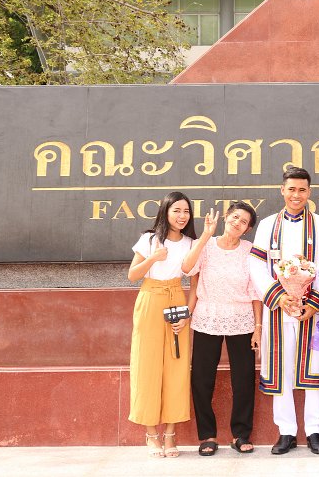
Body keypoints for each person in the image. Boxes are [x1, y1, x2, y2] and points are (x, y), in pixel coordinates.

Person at [248, 167, 319, 455]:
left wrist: (314, 302)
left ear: (309, 192)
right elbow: (256, 267)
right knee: (281, 369)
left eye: (302, 190)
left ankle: (314, 431)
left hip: (311, 310)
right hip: (278, 309)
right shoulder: (266, 225)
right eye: (291, 189)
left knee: (314, 368)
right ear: (282, 190)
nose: (296, 194)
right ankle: (286, 431)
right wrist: (279, 297)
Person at [181, 202, 261, 456]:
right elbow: (186, 268)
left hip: (242, 318)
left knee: (244, 378)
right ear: (226, 217)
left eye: (243, 222)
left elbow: (256, 292)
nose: (237, 223)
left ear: (247, 229)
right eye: (235, 217)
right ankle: (207, 435)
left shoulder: (250, 251)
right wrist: (205, 235)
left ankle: (241, 434)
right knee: (202, 378)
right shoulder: (206, 245)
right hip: (208, 316)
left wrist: (258, 327)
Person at [127, 191, 197, 458]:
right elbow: (132, 275)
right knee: (148, 366)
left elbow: (194, 280)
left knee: (176, 368)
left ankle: (170, 435)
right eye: (176, 210)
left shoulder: (190, 243)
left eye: (186, 211)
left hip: (176, 299)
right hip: (150, 300)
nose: (181, 216)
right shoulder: (149, 239)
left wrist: (186, 314)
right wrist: (152, 258)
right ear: (166, 211)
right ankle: (151, 434)